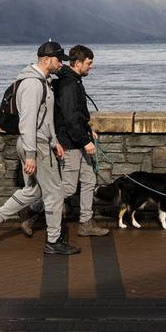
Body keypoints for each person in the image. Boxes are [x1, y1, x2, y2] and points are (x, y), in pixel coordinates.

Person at [0, 41, 79, 255]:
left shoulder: (43, 82)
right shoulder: (33, 84)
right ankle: (53, 242)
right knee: (55, 193)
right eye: (58, 59)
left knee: (32, 190)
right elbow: (27, 122)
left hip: (38, 144)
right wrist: (33, 154)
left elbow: (46, 119)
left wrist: (55, 142)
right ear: (46, 60)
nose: (61, 63)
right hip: (36, 146)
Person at [54, 45, 109, 236]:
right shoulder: (69, 84)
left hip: (79, 139)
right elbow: (69, 118)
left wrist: (88, 131)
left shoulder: (74, 80)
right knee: (68, 187)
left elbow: (78, 114)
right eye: (89, 63)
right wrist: (84, 141)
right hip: (70, 143)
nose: (91, 67)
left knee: (88, 180)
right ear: (77, 63)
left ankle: (86, 223)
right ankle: (34, 211)